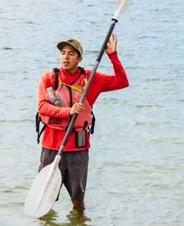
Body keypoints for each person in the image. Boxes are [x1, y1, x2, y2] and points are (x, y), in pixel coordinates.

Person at [36, 35, 129, 211]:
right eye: (63, 53)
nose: (65, 57)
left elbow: (123, 82)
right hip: (51, 147)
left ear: (79, 58)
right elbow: (42, 108)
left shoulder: (92, 79)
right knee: (45, 201)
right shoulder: (49, 78)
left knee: (78, 203)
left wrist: (113, 55)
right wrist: (68, 111)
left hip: (78, 150)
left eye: (71, 54)